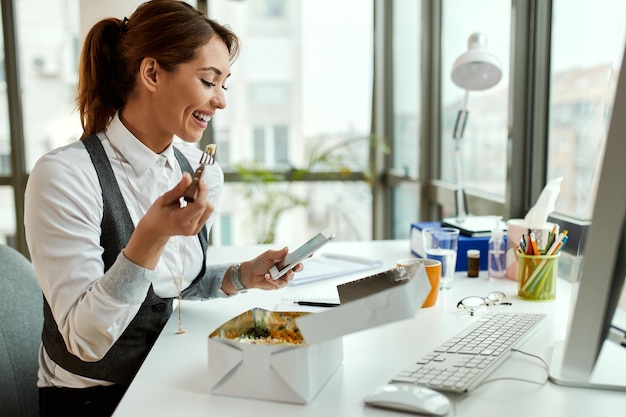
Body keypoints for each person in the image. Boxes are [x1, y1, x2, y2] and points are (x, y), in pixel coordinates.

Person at [24, 1, 301, 416]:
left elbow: (171, 289)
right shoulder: (65, 176)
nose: (221, 101)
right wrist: (151, 235)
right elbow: (85, 340)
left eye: (225, 85)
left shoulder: (200, 171)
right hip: (95, 399)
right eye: (209, 81)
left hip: (170, 371)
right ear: (152, 73)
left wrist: (242, 275)